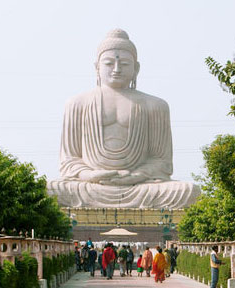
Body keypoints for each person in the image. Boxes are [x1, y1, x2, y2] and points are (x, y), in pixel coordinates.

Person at [46, 29, 199, 209]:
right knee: (48, 190)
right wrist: (90, 175)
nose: (117, 69)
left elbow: (161, 161)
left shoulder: (156, 105)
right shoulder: (77, 103)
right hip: (91, 186)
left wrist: (137, 176)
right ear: (97, 67)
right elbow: (69, 161)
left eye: (125, 64)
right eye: (109, 63)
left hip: (140, 186)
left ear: (136, 68)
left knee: (189, 191)